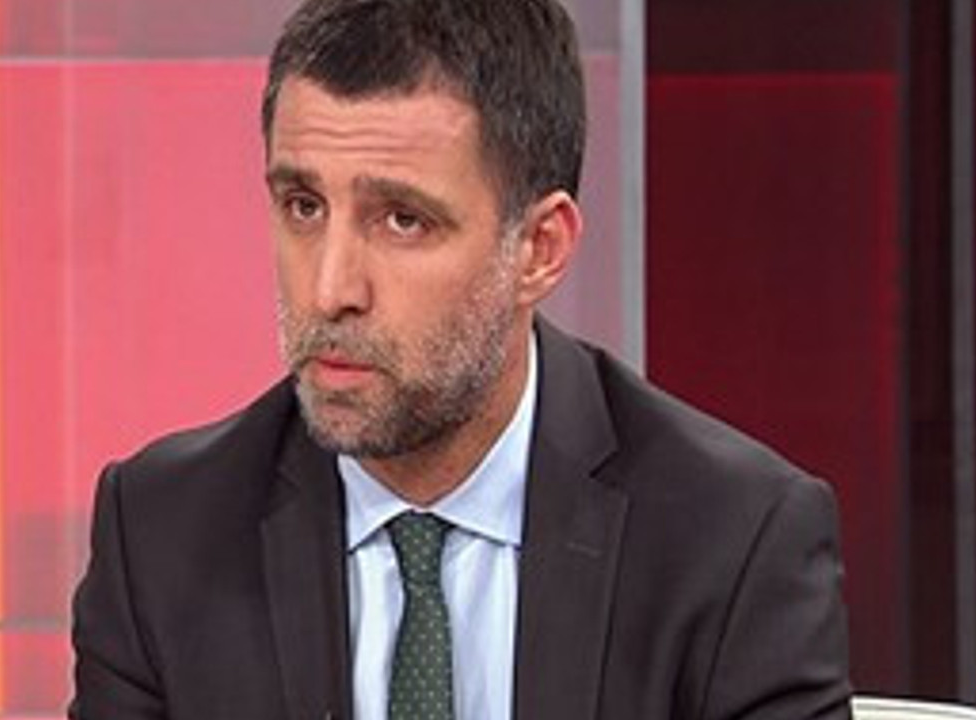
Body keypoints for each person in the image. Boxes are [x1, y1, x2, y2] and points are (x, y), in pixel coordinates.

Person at [69, 0, 853, 717]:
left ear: (539, 249)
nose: (331, 288)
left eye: (402, 220)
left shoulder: (732, 540)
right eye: (303, 207)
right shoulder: (164, 535)